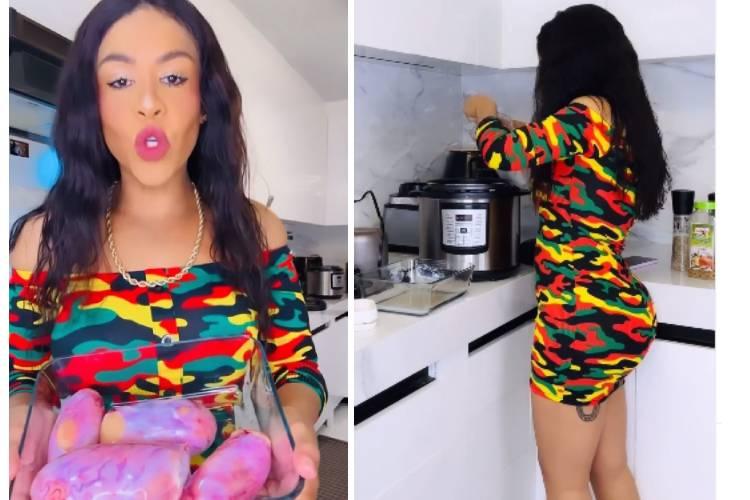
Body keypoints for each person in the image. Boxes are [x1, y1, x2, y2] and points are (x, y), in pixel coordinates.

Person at [9, 1, 326, 498]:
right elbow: (25, 380)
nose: (149, 104)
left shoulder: (255, 230)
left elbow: (295, 367)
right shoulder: (41, 243)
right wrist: (19, 426)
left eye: (174, 78)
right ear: (93, 106)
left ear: (205, 101)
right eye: (120, 81)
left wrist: (295, 431)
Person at [464, 4, 669, 500]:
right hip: (614, 314)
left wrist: (484, 113)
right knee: (611, 471)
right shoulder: (619, 121)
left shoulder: (585, 112)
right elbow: (544, 146)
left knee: (565, 487)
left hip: (577, 326)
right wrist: (511, 123)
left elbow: (504, 152)